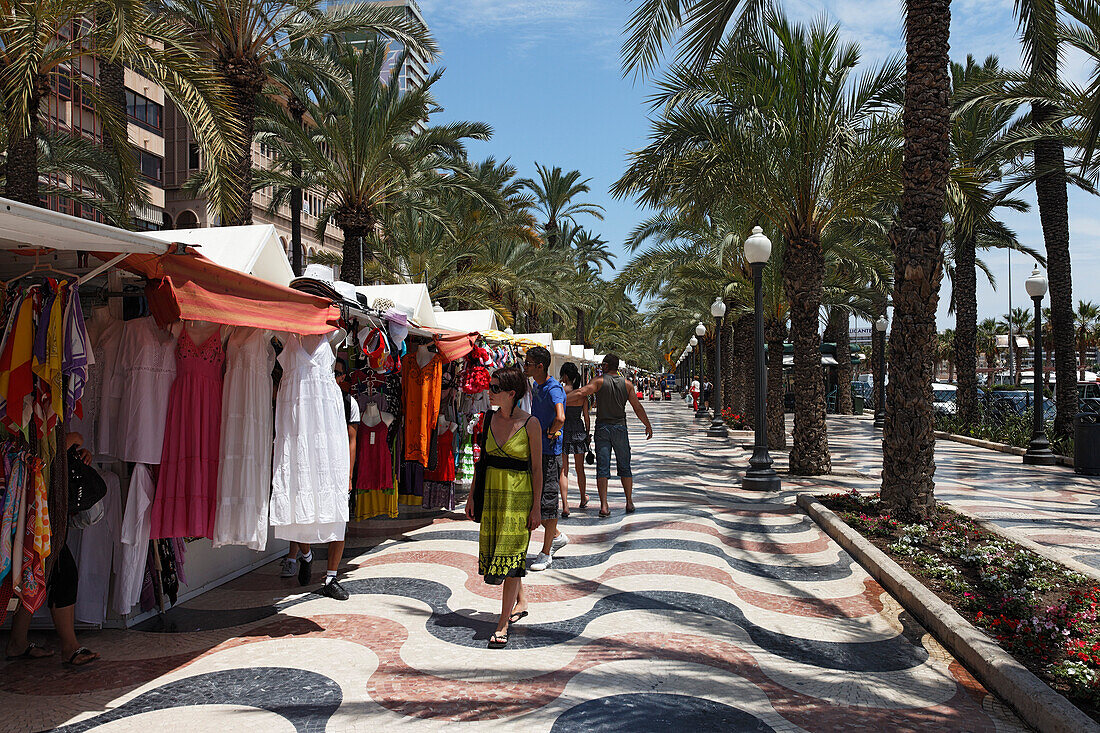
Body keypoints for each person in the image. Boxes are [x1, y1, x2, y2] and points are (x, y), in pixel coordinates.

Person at [5, 433, 99, 667]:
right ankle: (69, 647)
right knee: (57, 570)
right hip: (28, 500)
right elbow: (38, 449)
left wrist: (75, 450)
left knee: (38, 569)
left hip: (42, 501)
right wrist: (71, 441)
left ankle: (18, 641)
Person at [465, 365, 542, 648]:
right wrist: (472, 496)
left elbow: (537, 469)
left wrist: (536, 508)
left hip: (518, 500)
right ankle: (520, 600)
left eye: (496, 388)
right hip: (493, 499)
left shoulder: (530, 424)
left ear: (512, 393)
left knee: (511, 559)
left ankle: (502, 624)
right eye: (490, 386)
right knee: (503, 553)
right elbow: (481, 463)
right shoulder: (486, 420)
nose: (490, 391)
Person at [279, 356, 357, 601]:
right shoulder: (306, 395)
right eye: (330, 371)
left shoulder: (347, 403)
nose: (332, 376)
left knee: (339, 522)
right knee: (301, 513)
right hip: (308, 464)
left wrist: (348, 475)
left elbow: (352, 440)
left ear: (343, 377)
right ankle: (307, 556)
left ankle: (331, 578)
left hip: (334, 466)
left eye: (337, 373)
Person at [572, 354, 653, 517]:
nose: (601, 367)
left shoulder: (599, 381)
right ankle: (629, 502)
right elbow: (637, 407)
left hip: (602, 428)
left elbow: (582, 392)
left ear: (607, 366)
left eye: (603, 364)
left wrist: (559, 399)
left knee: (603, 467)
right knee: (625, 465)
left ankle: (603, 505)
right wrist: (647, 424)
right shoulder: (628, 384)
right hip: (620, 428)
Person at [523, 346, 567, 571]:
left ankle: (546, 553)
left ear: (540, 366)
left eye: (528, 363)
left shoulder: (553, 389)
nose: (525, 366)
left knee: (548, 504)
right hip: (537, 450)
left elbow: (560, 417)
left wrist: (550, 432)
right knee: (535, 500)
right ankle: (557, 536)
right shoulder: (536, 385)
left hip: (549, 454)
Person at [558, 362, 590, 518]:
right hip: (578, 431)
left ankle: (565, 505)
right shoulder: (581, 394)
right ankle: (583, 498)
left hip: (563, 430)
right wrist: (588, 434)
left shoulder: (561, 393)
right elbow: (587, 417)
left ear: (564, 376)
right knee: (580, 469)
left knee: (563, 470)